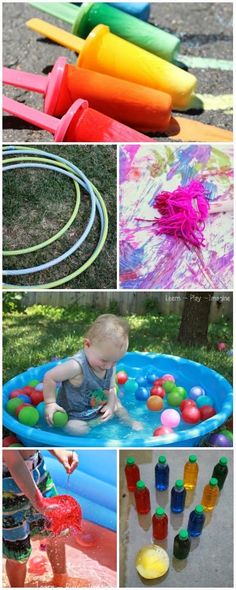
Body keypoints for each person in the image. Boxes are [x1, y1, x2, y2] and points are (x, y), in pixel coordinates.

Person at [3, 448, 90, 588]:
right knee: (18, 554)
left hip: (39, 475)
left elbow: (33, 438)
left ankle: (60, 580)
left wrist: (59, 452)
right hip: (9, 491)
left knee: (56, 532)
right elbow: (15, 463)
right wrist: (39, 502)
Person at [43, 314, 143, 435]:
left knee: (117, 403)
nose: (108, 366)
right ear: (87, 345)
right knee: (76, 429)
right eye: (104, 360)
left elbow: (111, 388)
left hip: (97, 407)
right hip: (73, 415)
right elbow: (50, 377)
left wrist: (111, 405)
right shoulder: (76, 366)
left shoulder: (110, 363)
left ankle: (129, 421)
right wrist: (50, 403)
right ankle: (86, 426)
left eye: (115, 361)